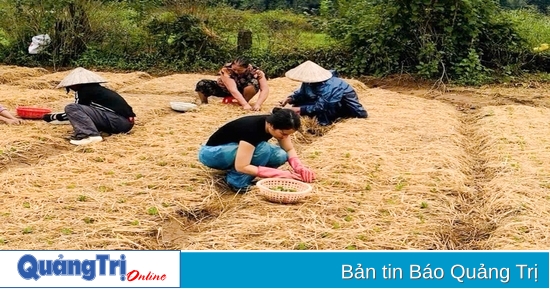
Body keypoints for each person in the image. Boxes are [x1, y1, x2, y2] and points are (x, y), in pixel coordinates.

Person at [198, 108, 315, 193]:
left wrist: (299, 167)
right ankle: (236, 181)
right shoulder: (252, 129)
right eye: (283, 134)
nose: (285, 137)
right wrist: (281, 174)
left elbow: (288, 149)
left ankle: (241, 177)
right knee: (263, 149)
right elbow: (242, 166)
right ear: (271, 126)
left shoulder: (277, 125)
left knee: (280, 154)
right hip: (212, 154)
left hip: (233, 150)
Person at [48, 67, 136, 145]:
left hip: (119, 121)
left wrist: (53, 117)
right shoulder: (97, 89)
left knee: (71, 108)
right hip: (126, 122)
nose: (70, 88)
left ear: (76, 84)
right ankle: (102, 132)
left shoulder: (85, 91)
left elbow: (76, 111)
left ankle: (89, 135)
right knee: (79, 111)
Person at [280, 60, 368, 126]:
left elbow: (322, 106)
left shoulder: (331, 86)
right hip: (323, 101)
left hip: (339, 104)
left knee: (324, 113)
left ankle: (325, 123)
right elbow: (302, 93)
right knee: (297, 103)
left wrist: (300, 110)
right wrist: (290, 98)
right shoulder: (309, 82)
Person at [195, 57, 269, 111]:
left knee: (254, 83)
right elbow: (232, 89)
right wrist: (245, 105)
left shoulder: (257, 72)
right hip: (227, 89)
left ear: (246, 68)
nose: (236, 72)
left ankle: (243, 101)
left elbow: (264, 89)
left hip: (243, 90)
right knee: (202, 84)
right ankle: (204, 103)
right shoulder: (226, 70)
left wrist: (258, 104)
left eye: (239, 70)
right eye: (234, 69)